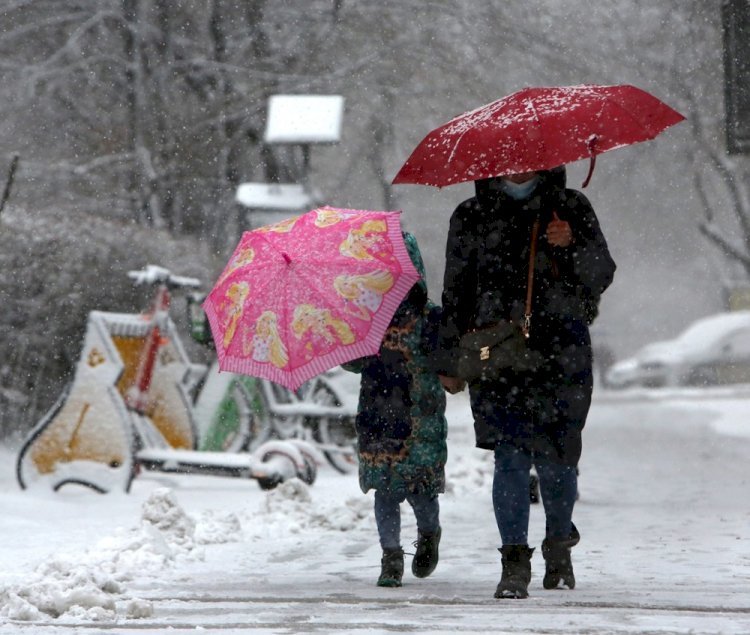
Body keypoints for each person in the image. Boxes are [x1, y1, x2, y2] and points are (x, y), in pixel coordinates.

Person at [435, 166, 616, 599]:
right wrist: (448, 356)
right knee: (510, 459)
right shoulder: (471, 215)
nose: (517, 167)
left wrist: (570, 245)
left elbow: (601, 274)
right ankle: (513, 564)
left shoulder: (570, 208)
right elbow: (456, 289)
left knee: (557, 461)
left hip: (561, 354)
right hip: (498, 355)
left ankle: (558, 548)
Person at [342, 231, 448, 588]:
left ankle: (429, 532)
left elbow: (444, 362)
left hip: (419, 420)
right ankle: (390, 558)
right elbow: (355, 362)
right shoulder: (365, 316)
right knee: (385, 492)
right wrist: (344, 336)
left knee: (420, 491)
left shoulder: (430, 317)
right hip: (378, 417)